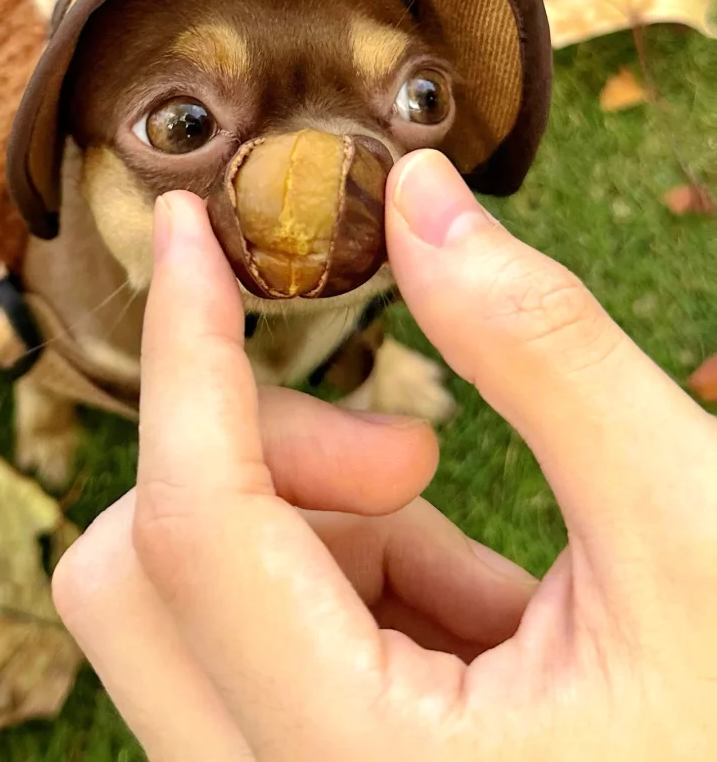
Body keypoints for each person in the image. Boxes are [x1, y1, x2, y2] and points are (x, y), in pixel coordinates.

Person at [52, 148, 717, 761]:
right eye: (184, 128)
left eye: (417, 101)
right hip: (94, 335)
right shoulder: (72, 300)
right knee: (34, 347)